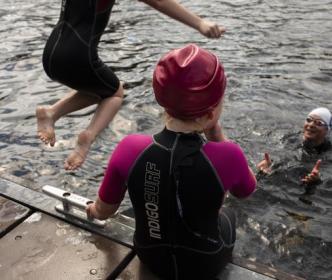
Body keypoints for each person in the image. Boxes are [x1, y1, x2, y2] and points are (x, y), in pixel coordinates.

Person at [86, 44, 257, 279]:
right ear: (210, 114)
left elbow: (103, 211)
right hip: (206, 264)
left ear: (162, 100)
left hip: (150, 256)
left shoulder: (129, 148)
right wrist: (217, 136)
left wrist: (91, 209)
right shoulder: (229, 155)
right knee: (229, 213)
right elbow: (247, 189)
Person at [36, 0, 226, 170]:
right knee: (115, 94)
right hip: (78, 57)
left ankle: (52, 112)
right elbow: (159, 2)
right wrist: (200, 23)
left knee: (100, 90)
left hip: (51, 54)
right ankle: (87, 137)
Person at [257, 107, 331, 194]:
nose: (311, 124)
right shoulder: (289, 139)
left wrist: (316, 181)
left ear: (327, 130)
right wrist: (269, 166)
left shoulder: (328, 152)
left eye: (319, 123)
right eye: (309, 120)